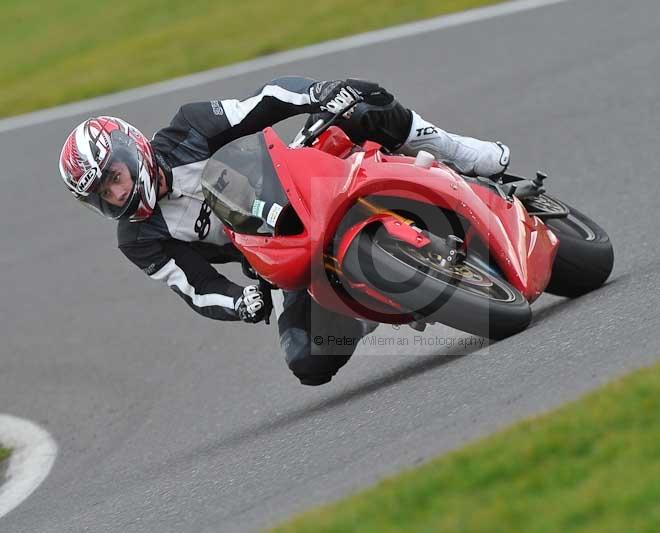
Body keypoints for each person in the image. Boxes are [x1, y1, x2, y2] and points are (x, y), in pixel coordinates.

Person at [58, 77, 510, 386]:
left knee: (363, 100)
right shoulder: (138, 239)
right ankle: (378, 300)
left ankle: (466, 155)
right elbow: (196, 288)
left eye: (114, 178)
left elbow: (263, 101)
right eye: (102, 196)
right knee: (308, 362)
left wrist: (318, 93)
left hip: (298, 178)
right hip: (276, 259)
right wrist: (241, 302)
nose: (116, 196)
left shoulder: (188, 129)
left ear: (130, 148)